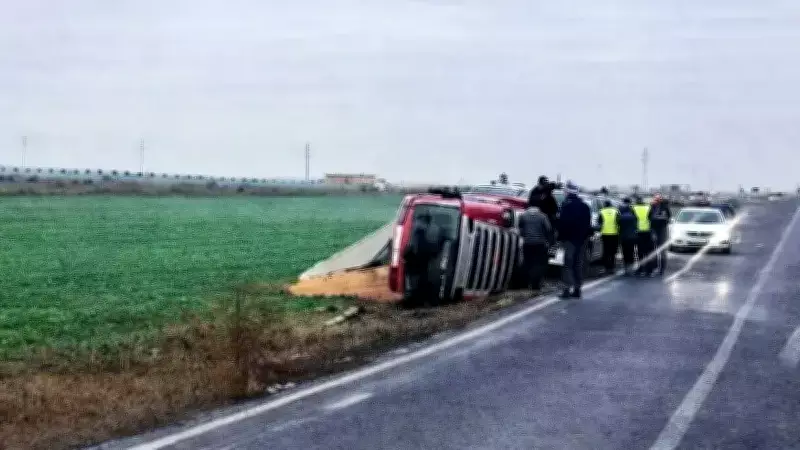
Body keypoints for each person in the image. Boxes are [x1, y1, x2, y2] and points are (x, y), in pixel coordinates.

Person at [556, 181, 592, 298]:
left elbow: (563, 223)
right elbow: (588, 224)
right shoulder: (585, 206)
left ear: (568, 192)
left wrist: (560, 238)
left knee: (568, 264)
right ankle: (577, 289)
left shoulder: (566, 206)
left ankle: (566, 289)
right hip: (582, 240)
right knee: (578, 264)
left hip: (569, 240)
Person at [402, 213, 443, 307]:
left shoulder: (416, 229)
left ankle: (416, 300)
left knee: (415, 282)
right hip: (420, 263)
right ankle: (422, 301)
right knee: (420, 281)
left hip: (416, 263)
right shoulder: (430, 232)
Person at [517, 199, 555, 290]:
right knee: (538, 264)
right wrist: (549, 242)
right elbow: (548, 229)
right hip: (539, 243)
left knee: (527, 263)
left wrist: (524, 236)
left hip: (527, 243)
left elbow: (520, 228)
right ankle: (536, 284)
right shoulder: (543, 216)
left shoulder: (523, 215)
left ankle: (525, 284)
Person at [648, 193, 672, 276]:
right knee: (654, 250)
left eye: (658, 199)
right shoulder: (652, 207)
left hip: (662, 230)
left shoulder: (665, 207)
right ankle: (655, 267)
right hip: (654, 229)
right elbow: (649, 217)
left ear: (661, 199)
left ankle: (662, 269)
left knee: (662, 250)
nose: (657, 200)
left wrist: (660, 219)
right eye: (656, 199)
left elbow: (668, 217)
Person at [632, 195, 655, 276]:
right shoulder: (648, 208)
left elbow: (632, 221)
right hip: (648, 232)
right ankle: (649, 270)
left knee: (639, 252)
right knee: (648, 252)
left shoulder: (633, 208)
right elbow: (652, 220)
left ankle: (640, 269)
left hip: (638, 233)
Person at [596, 199, 619, 274]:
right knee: (613, 251)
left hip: (605, 234)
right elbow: (619, 222)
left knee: (606, 251)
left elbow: (599, 223)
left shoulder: (601, 211)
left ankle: (606, 268)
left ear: (605, 205)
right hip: (615, 233)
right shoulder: (616, 211)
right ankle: (612, 267)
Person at [617, 197, 639, 275]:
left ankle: (626, 269)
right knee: (632, 253)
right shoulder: (634, 217)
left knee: (625, 253)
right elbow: (636, 226)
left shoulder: (621, 217)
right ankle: (631, 268)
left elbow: (619, 227)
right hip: (632, 237)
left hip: (624, 237)